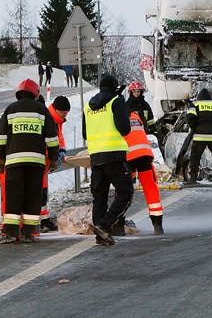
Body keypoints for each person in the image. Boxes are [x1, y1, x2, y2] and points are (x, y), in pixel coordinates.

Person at [0, 79, 60, 243]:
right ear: (35, 93)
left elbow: (1, 136)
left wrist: (1, 158)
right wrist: (53, 158)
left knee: (13, 196)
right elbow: (52, 137)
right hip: (36, 163)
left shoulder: (10, 110)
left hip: (14, 163)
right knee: (33, 196)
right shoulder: (42, 110)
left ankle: (10, 232)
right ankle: (29, 232)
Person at [82, 74, 132, 245]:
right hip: (114, 154)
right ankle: (105, 225)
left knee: (100, 197)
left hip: (96, 156)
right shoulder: (116, 101)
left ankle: (100, 235)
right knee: (125, 192)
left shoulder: (88, 106)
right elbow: (125, 129)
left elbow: (84, 133)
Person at [124, 109, 164, 235]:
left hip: (129, 156)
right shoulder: (136, 116)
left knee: (124, 190)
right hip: (145, 155)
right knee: (150, 187)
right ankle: (158, 225)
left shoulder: (116, 117)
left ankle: (119, 222)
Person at [39, 95, 71, 233]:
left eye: (66, 113)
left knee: (43, 192)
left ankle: (44, 220)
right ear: (56, 110)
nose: (65, 116)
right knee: (40, 192)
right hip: (41, 160)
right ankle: (39, 221)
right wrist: (52, 156)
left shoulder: (57, 120)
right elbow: (46, 141)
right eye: (63, 112)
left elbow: (59, 138)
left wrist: (62, 150)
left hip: (46, 161)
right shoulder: (48, 119)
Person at [186, 88, 212, 185]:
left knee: (195, 158)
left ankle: (193, 179)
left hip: (199, 137)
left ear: (199, 97)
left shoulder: (195, 104)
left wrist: (195, 128)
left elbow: (190, 118)